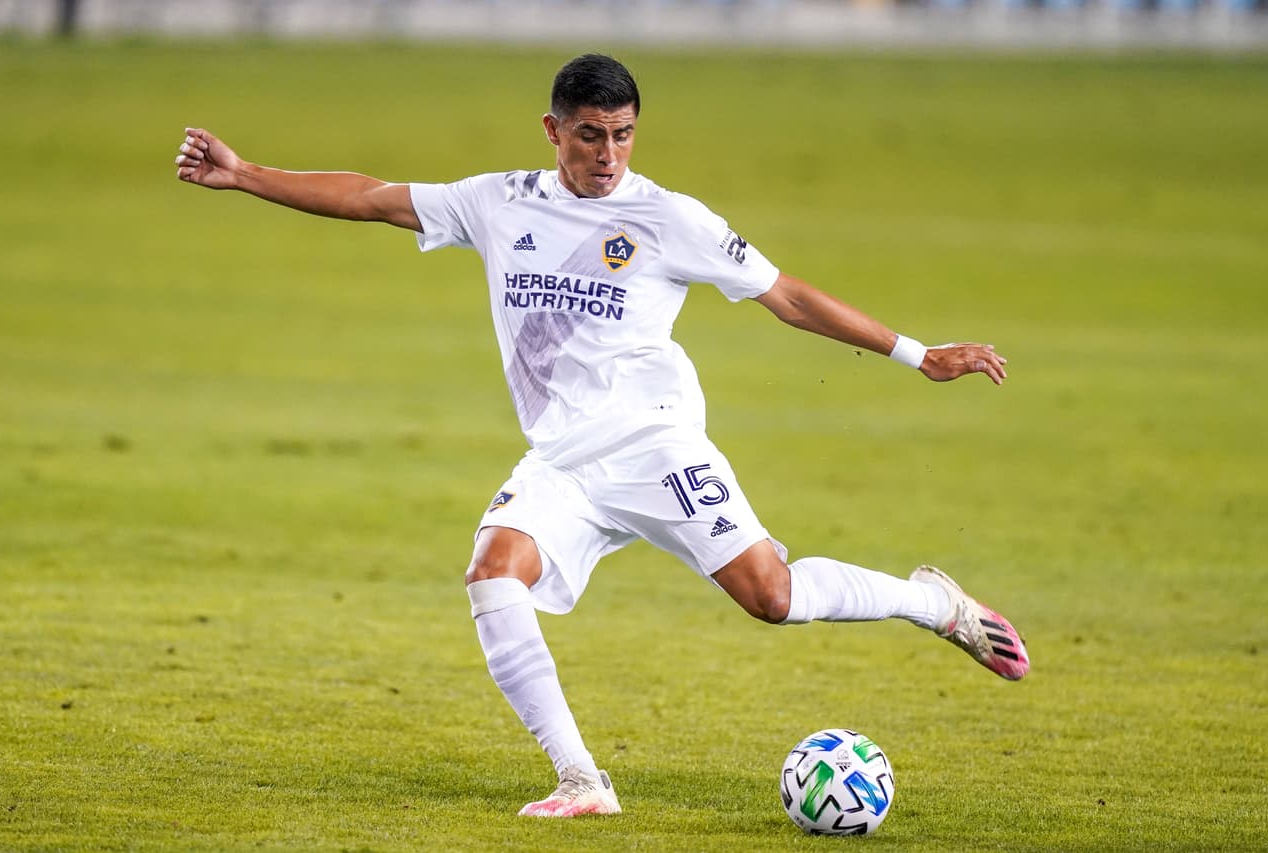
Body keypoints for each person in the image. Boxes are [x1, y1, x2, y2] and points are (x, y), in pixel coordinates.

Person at [175, 53, 1028, 819]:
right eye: (590, 136)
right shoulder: (497, 202)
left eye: (622, 136)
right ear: (554, 131)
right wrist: (246, 174)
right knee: (491, 572)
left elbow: (786, 295)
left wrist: (920, 355)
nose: (609, 154)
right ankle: (583, 779)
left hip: (657, 447)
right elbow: (368, 196)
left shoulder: (669, 218)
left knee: (772, 596)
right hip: (561, 460)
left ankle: (933, 602)